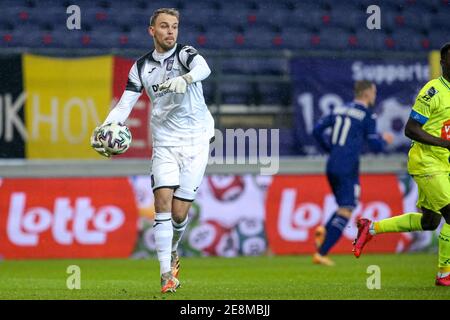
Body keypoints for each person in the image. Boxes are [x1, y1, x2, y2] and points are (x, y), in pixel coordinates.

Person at [90, 8, 215, 293]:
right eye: (164, 26)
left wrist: (185, 79)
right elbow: (125, 104)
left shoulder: (185, 54)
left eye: (174, 26)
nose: (171, 31)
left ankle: (172, 250)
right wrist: (105, 128)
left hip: (197, 140)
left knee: (180, 214)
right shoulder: (141, 67)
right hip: (165, 142)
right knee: (162, 202)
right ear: (152, 31)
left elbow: (204, 69)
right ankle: (165, 274)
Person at [353, 43, 450, 286]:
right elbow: (411, 129)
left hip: (442, 163)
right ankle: (444, 274)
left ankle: (371, 228)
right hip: (426, 163)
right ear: (443, 63)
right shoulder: (433, 92)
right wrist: (444, 144)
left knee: (430, 222)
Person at [312, 80, 393, 266]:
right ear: (366, 94)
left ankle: (324, 230)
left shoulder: (339, 109)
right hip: (348, 165)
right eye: (374, 92)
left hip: (331, 163)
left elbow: (316, 130)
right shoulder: (367, 116)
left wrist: (330, 149)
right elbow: (374, 146)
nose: (375, 96)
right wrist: (385, 141)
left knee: (343, 205)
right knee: (347, 209)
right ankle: (321, 253)